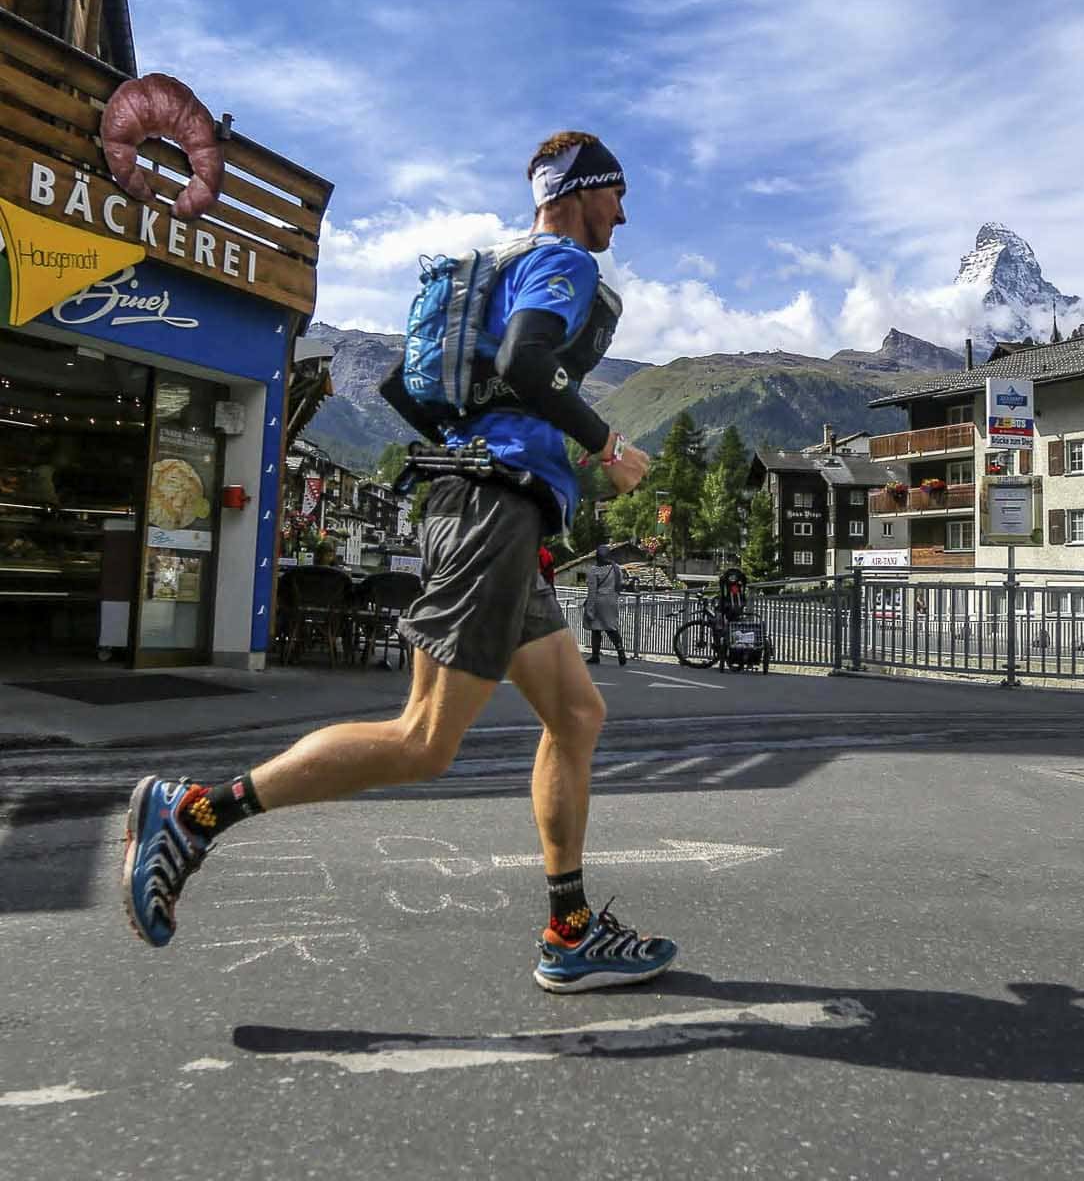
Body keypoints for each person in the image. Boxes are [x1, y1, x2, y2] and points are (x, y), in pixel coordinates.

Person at [122, 131, 678, 993]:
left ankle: (569, 931)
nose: (624, 213)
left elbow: (406, 391)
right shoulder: (563, 261)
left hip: (489, 507)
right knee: (423, 739)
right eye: (617, 194)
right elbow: (526, 360)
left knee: (576, 714)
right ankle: (195, 813)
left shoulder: (495, 266)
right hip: (494, 512)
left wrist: (475, 454)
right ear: (581, 192)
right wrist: (607, 446)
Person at [583, 545, 627, 665]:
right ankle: (620, 651)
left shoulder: (594, 570)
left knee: (596, 629)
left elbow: (592, 592)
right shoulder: (616, 568)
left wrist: (589, 609)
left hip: (599, 601)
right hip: (612, 600)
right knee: (612, 628)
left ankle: (595, 655)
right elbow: (620, 585)